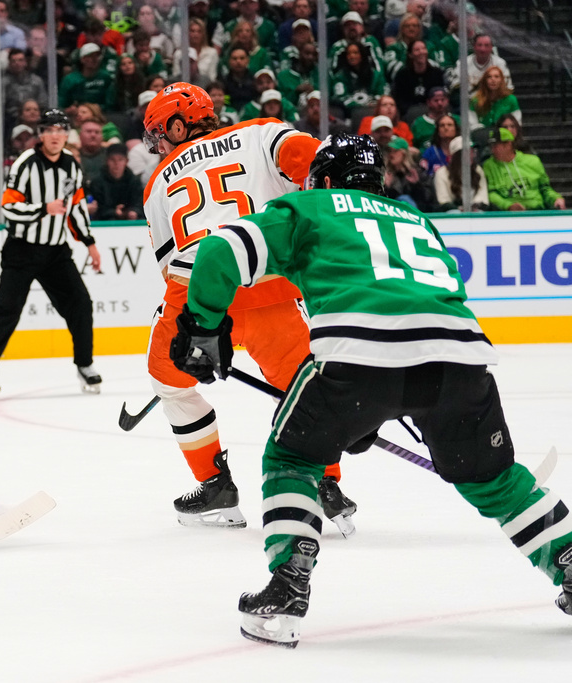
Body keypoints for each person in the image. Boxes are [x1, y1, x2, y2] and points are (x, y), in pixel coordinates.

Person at [169, 133, 572, 649]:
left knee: (292, 458)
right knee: (493, 479)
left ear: (325, 180)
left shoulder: (309, 207)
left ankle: (288, 583)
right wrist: (385, 406)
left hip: (357, 356)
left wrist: (202, 325)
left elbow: (221, 249)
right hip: (460, 358)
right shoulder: (416, 219)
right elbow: (421, 303)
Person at [141, 83, 356, 531]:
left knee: (170, 384)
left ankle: (215, 484)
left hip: (201, 298)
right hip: (272, 285)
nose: (158, 146)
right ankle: (325, 482)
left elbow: (171, 269)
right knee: (304, 387)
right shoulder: (261, 132)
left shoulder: (157, 184)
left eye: (160, 134)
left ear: (178, 127)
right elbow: (319, 162)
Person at [0, 109, 102, 398]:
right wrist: (44, 209)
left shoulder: (71, 165)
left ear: (67, 135)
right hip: (22, 250)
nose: (55, 136)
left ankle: (85, 364)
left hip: (56, 252)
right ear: (41, 134)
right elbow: (8, 207)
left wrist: (89, 243)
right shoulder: (25, 164)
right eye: (49, 130)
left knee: (80, 303)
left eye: (60, 130)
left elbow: (77, 207)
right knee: (7, 310)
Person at [482, 126, 565, 211]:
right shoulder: (488, 165)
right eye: (491, 146)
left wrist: (556, 198)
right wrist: (508, 205)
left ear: (508, 144)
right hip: (508, 214)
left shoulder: (533, 161)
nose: (492, 150)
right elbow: (491, 193)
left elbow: (545, 188)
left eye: (496, 146)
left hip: (537, 211)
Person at [330, 42, 387, 118]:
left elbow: (382, 95)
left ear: (362, 55)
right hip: (350, 114)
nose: (352, 56)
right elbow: (340, 98)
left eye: (355, 53)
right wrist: (359, 104)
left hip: (372, 111)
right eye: (349, 54)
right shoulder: (340, 76)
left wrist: (372, 102)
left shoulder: (376, 75)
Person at [390, 40, 445, 117]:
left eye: (423, 48)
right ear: (410, 54)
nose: (421, 52)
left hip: (433, 112)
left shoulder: (437, 73)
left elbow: (440, 95)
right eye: (417, 50)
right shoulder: (402, 75)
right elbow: (400, 100)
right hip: (409, 113)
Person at [88, 143, 143, 220]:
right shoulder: (97, 182)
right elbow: (97, 207)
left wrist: (134, 211)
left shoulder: (134, 181)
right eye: (112, 159)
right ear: (107, 161)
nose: (116, 164)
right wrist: (113, 212)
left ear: (126, 161)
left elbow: (139, 202)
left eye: (120, 159)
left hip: (131, 222)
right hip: (104, 222)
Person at [434, 137, 489, 212]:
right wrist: (459, 209)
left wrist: (474, 206)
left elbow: (482, 198)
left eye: (472, 151)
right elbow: (444, 202)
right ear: (456, 155)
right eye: (467, 152)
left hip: (474, 212)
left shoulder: (478, 170)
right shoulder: (441, 173)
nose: (471, 155)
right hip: (452, 213)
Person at [58, 42, 114, 111]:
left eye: (97, 56)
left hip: (101, 114)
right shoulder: (70, 80)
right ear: (82, 59)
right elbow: (62, 104)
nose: (94, 59)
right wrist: (69, 110)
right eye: (90, 56)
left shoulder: (105, 77)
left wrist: (99, 108)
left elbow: (111, 103)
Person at [383, 135, 434, 210]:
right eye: (389, 151)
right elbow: (382, 201)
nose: (391, 155)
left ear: (404, 153)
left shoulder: (418, 172)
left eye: (395, 151)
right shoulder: (386, 174)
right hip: (392, 212)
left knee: (404, 199)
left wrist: (416, 185)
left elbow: (428, 199)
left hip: (418, 211)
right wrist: (387, 187)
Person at [468, 65, 521, 131]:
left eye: (496, 77)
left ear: (501, 80)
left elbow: (517, 122)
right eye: (489, 77)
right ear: (485, 80)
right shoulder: (475, 100)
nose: (493, 80)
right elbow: (472, 124)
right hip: (483, 134)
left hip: (505, 133)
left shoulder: (511, 99)